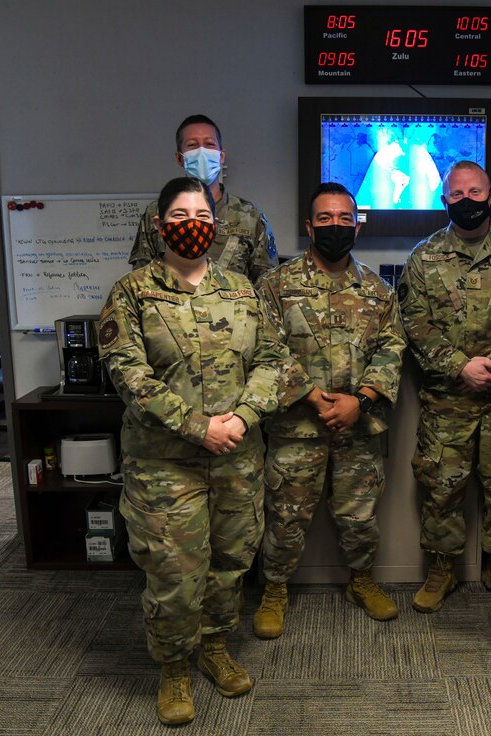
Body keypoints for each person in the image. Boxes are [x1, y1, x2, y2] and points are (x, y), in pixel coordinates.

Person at [98, 177, 309, 726]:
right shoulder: (132, 292)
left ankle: (215, 647)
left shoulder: (243, 290)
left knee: (230, 563)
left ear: (215, 226)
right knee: (174, 574)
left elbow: (273, 361)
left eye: (201, 215)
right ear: (159, 224)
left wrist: (242, 417)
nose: (191, 224)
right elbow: (129, 376)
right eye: (179, 215)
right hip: (164, 464)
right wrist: (198, 427)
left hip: (237, 457)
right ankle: (174, 668)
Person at [252, 182, 407, 638]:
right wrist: (311, 395)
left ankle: (361, 581)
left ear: (356, 226)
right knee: (286, 515)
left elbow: (392, 349)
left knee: (359, 514)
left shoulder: (378, 290)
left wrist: (361, 400)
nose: (335, 226)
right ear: (309, 226)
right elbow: (265, 348)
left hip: (358, 426)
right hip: (296, 426)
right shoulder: (276, 286)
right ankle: (274, 589)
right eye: (325, 218)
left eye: (344, 218)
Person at [399, 160, 491, 614]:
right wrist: (460, 366)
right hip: (447, 399)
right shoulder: (424, 257)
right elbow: (415, 324)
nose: (467, 201)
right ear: (444, 200)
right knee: (441, 486)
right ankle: (443, 567)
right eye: (457, 194)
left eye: (475, 192)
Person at [128, 114, 278, 281]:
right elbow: (140, 279)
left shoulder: (250, 216)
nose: (201, 152)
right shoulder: (157, 212)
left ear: (221, 156)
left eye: (209, 144)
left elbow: (266, 284)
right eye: (192, 145)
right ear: (180, 158)